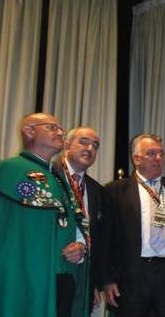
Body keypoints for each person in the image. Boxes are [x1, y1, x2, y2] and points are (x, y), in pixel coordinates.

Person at [0, 113, 85, 317]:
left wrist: (78, 247)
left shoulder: (59, 179)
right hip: (19, 279)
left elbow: (66, 224)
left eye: (61, 129)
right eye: (51, 127)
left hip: (58, 277)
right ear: (29, 131)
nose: (60, 132)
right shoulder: (8, 171)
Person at [97, 134, 165, 317]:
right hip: (133, 274)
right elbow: (105, 239)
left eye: (161, 154)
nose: (158, 158)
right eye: (151, 153)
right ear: (136, 159)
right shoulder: (115, 191)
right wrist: (107, 279)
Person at [54, 127, 104, 316]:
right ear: (67, 145)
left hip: (83, 276)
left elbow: (98, 238)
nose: (90, 148)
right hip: (52, 271)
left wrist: (94, 283)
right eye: (83, 142)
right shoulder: (49, 177)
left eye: (95, 145)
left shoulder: (97, 190)